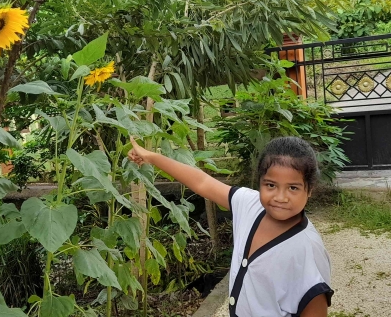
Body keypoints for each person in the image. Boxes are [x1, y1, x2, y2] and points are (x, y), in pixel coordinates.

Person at [129, 136, 333, 317]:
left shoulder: (308, 250)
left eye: (293, 188)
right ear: (259, 182)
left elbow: (314, 306)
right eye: (271, 185)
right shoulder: (249, 203)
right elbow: (202, 182)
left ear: (310, 190)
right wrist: (152, 157)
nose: (280, 197)